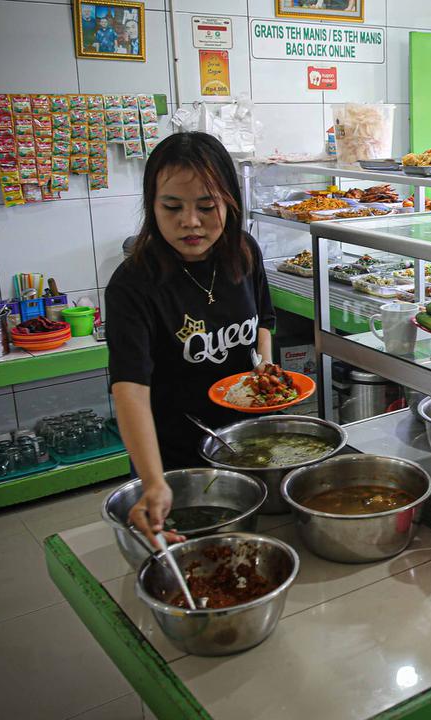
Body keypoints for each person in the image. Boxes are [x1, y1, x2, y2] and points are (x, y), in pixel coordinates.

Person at [106, 132, 275, 543]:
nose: (191, 222)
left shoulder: (243, 253)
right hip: (174, 459)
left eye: (206, 206)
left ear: (229, 202)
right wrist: (152, 481)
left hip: (246, 446)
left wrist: (265, 369)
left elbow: (264, 321)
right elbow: (129, 388)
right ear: (152, 206)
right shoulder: (133, 285)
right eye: (172, 207)